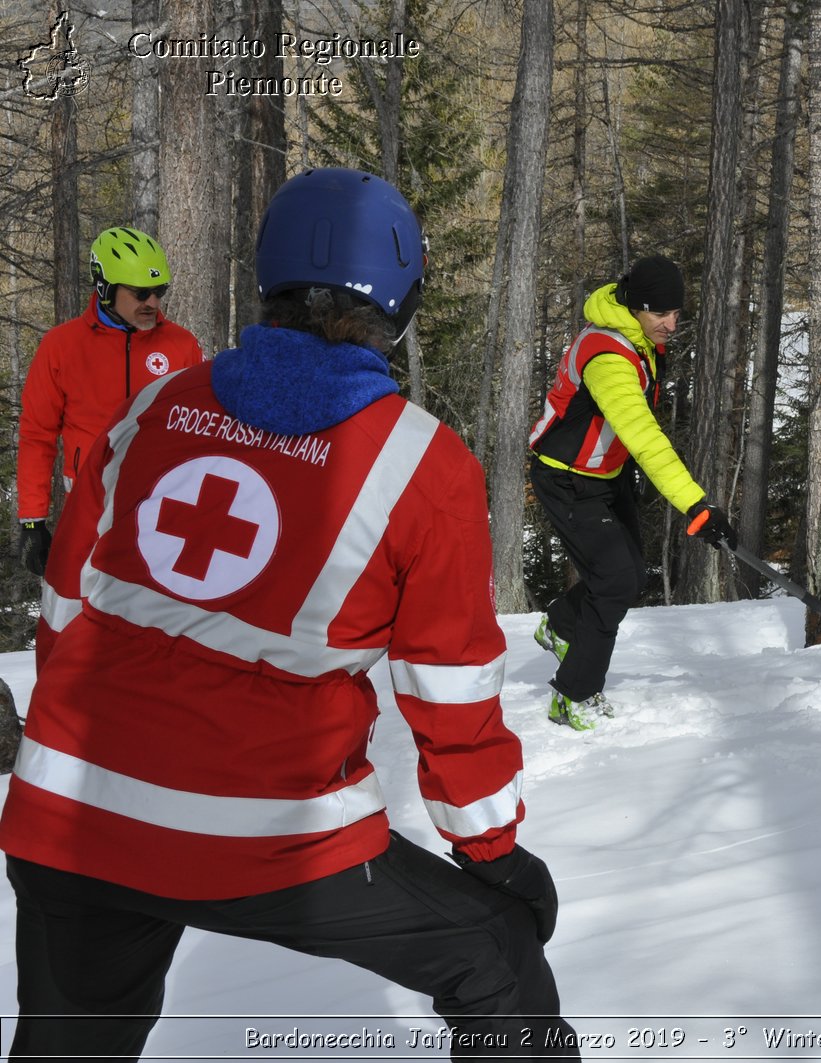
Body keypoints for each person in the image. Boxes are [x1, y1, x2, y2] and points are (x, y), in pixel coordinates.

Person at [0, 168, 579, 1059]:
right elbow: (450, 692)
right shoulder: (424, 464)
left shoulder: (157, 404)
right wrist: (494, 852)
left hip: (67, 814)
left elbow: (66, 606)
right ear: (401, 302)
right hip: (268, 838)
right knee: (497, 960)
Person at [528, 255, 734, 730]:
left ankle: (560, 624)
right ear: (636, 308)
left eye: (677, 313)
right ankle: (572, 696)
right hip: (567, 477)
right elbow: (642, 434)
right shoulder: (607, 357)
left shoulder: (638, 333)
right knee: (615, 582)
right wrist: (696, 504)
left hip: (605, 472)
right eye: (661, 314)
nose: (671, 324)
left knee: (629, 574)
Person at [16, 226, 204, 576]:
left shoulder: (182, 345)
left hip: (163, 515)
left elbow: (198, 433)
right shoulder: (62, 346)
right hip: (89, 513)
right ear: (105, 288)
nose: (153, 303)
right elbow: (36, 435)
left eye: (159, 291)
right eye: (141, 293)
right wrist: (33, 521)